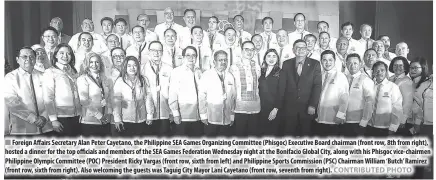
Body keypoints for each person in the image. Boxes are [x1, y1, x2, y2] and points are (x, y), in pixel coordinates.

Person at [270, 39, 322, 137]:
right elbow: (282, 86)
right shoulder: (286, 63)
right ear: (293, 50)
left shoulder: (315, 64)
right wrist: (278, 106)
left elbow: (317, 86)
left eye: (303, 48)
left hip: (307, 107)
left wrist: (313, 105)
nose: (301, 50)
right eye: (298, 47)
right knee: (288, 136)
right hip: (289, 108)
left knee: (306, 136)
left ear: (307, 50)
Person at [5, 47, 54, 136]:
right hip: (23, 130)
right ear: (17, 60)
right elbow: (12, 103)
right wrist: (34, 119)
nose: (28, 59)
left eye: (31, 57)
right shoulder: (10, 77)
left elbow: (51, 98)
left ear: (35, 59)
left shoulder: (43, 76)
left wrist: (44, 117)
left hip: (46, 127)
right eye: (24, 57)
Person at [42, 44, 81, 137]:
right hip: (61, 117)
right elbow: (48, 97)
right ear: (56, 55)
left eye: (68, 53)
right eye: (62, 53)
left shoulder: (74, 71)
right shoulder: (50, 72)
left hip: (77, 115)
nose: (65, 56)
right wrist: (53, 119)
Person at [113, 56, 154, 137]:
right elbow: (116, 102)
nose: (132, 68)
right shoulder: (120, 81)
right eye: (129, 65)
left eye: (134, 65)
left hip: (142, 119)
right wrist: (117, 119)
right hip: (126, 119)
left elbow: (148, 98)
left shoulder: (143, 80)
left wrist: (150, 115)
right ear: (125, 67)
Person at [169, 46, 204, 137]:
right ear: (183, 57)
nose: (191, 58)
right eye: (188, 55)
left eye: (193, 55)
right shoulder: (177, 71)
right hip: (183, 116)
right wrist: (176, 113)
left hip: (198, 116)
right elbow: (173, 93)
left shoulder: (199, 71)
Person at [199, 50, 236, 137]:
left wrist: (232, 115)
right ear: (214, 62)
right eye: (220, 60)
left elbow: (233, 97)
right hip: (211, 118)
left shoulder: (230, 76)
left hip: (226, 118)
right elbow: (201, 97)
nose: (223, 62)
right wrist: (203, 115)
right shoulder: (206, 75)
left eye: (225, 60)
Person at [229, 41, 261, 137]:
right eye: (247, 49)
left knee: (253, 137)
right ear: (241, 51)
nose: (249, 52)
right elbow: (231, 90)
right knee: (240, 137)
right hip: (239, 108)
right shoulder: (233, 67)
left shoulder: (257, 66)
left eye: (252, 49)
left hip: (255, 108)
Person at [141, 41, 173, 137]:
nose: (156, 53)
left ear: (162, 52)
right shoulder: (142, 69)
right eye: (153, 50)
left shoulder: (169, 69)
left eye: (159, 50)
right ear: (149, 52)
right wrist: (148, 113)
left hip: (165, 113)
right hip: (148, 114)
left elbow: (173, 92)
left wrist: (172, 111)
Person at [363, 61, 403, 137]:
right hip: (369, 126)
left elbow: (397, 108)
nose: (379, 72)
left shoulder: (393, 87)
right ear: (373, 72)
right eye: (376, 71)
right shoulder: (370, 86)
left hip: (385, 128)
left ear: (386, 72)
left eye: (382, 70)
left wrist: (393, 127)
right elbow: (366, 105)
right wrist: (363, 122)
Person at [77, 52, 112, 137]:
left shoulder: (105, 79)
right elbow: (84, 101)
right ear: (87, 64)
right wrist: (99, 116)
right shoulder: (83, 79)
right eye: (91, 62)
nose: (94, 64)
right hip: (90, 121)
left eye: (97, 62)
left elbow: (109, 98)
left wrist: (108, 113)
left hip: (105, 121)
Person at [315, 50, 349, 136]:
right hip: (319, 118)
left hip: (333, 120)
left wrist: (340, 115)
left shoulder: (340, 76)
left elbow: (344, 97)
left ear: (335, 61)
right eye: (324, 60)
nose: (327, 62)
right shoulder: (319, 75)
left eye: (330, 60)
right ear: (321, 61)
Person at [410, 57, 433, 176]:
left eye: (416, 67)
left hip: (425, 125)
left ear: (423, 69)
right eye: (411, 67)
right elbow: (418, 106)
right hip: (419, 124)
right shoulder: (418, 82)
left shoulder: (426, 83)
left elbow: (418, 105)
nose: (412, 70)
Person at [343, 53, 375, 137]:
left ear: (360, 64)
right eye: (349, 63)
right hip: (343, 121)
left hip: (358, 122)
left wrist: (364, 121)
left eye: (355, 63)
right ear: (346, 64)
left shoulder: (365, 80)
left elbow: (370, 102)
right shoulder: (344, 78)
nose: (352, 65)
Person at [258, 49, 281, 137]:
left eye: (274, 56)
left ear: (277, 59)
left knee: (271, 135)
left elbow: (281, 93)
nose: (271, 58)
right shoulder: (260, 71)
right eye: (269, 56)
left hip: (273, 109)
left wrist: (275, 109)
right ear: (265, 58)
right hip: (260, 108)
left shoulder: (281, 72)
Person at [388, 56, 413, 136]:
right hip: (389, 115)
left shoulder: (407, 81)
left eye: (400, 65)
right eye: (395, 65)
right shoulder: (391, 78)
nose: (397, 67)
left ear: (405, 67)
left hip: (399, 118)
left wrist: (403, 119)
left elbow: (408, 101)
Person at [105, 47, 126, 136]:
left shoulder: (132, 71)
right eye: (115, 56)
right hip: (113, 114)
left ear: (125, 57)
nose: (118, 58)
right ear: (111, 58)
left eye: (121, 56)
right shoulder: (107, 74)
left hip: (130, 114)